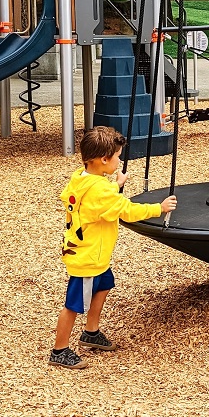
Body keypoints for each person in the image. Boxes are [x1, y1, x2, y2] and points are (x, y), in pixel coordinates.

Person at [51, 126, 177, 370]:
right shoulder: (101, 191)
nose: (119, 160)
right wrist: (158, 208)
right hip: (87, 259)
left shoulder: (83, 177)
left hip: (92, 255)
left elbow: (101, 203)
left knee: (105, 285)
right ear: (103, 159)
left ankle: (91, 332)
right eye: (118, 156)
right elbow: (126, 211)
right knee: (74, 305)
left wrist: (116, 186)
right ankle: (59, 350)